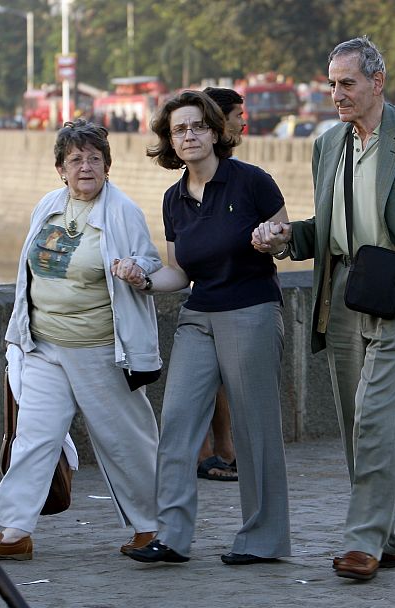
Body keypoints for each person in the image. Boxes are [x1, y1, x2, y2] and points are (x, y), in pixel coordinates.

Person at [252, 36, 395, 581]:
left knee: (375, 418)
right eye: (331, 84)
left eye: (347, 83)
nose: (337, 94)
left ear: (378, 82)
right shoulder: (328, 144)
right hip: (346, 293)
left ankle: (361, 544)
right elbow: (326, 229)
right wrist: (284, 238)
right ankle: (391, 537)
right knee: (357, 424)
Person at [117, 90, 291, 566]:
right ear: (169, 142)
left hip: (251, 309)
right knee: (176, 425)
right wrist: (145, 280)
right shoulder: (174, 199)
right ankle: (171, 537)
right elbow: (179, 271)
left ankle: (263, 539)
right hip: (199, 313)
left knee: (255, 429)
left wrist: (271, 240)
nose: (188, 135)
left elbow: (283, 238)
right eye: (179, 130)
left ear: (215, 132)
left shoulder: (252, 181)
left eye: (197, 126)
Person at [0, 119, 162, 560]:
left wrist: (135, 270)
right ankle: (14, 531)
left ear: (107, 166)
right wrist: (18, 336)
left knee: (126, 439)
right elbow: (25, 275)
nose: (85, 167)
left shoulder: (122, 210)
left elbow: (149, 261)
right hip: (44, 345)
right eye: (75, 160)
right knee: (33, 436)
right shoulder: (48, 205)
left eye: (94, 159)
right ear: (60, 169)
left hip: (101, 349)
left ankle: (152, 526)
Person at [194, 87, 247, 482]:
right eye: (236, 115)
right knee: (209, 379)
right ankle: (209, 451)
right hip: (211, 297)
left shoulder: (242, 176)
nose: (243, 122)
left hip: (236, 293)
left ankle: (221, 449)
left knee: (222, 379)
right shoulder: (200, 178)